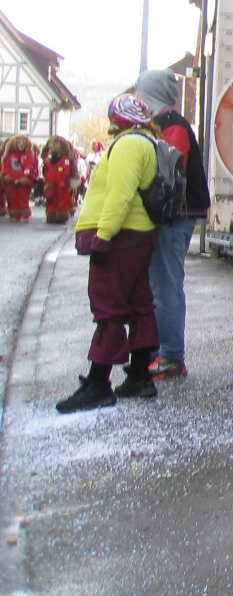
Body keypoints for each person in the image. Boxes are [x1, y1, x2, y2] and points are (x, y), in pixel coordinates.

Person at [56, 94, 163, 413]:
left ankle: (99, 383)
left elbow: (120, 195)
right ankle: (139, 376)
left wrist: (103, 237)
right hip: (139, 234)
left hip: (120, 236)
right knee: (140, 303)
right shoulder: (148, 142)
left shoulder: (128, 145)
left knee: (108, 307)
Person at [136, 68, 207, 379]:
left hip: (175, 215)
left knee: (165, 285)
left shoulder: (170, 123)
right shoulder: (165, 122)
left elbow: (168, 171)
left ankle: (171, 355)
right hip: (175, 213)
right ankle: (159, 351)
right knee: (160, 284)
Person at [41, 135, 79, 224]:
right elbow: (47, 171)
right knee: (51, 198)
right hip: (51, 183)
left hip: (61, 184)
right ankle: (51, 213)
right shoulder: (49, 158)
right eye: (51, 144)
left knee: (62, 200)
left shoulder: (65, 159)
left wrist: (62, 182)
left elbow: (65, 171)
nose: (51, 146)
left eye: (54, 144)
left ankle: (62, 214)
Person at [2, 133, 38, 222]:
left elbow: (29, 167)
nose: (21, 144)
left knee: (23, 198)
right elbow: (6, 166)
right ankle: (15, 214)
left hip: (23, 181)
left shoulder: (29, 155)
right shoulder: (10, 155)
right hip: (11, 181)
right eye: (19, 142)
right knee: (12, 198)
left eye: (23, 142)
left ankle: (24, 214)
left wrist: (25, 177)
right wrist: (6, 174)